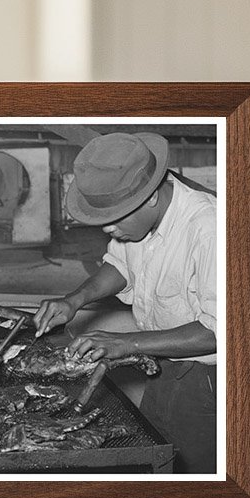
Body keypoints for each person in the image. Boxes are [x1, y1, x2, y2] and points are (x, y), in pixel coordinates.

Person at [33, 132, 218, 474]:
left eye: (116, 219)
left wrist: (126, 342)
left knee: (194, 485)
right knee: (153, 466)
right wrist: (73, 301)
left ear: (151, 197)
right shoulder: (138, 223)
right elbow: (120, 266)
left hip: (209, 384)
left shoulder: (209, 229)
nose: (108, 230)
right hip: (164, 369)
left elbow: (219, 332)